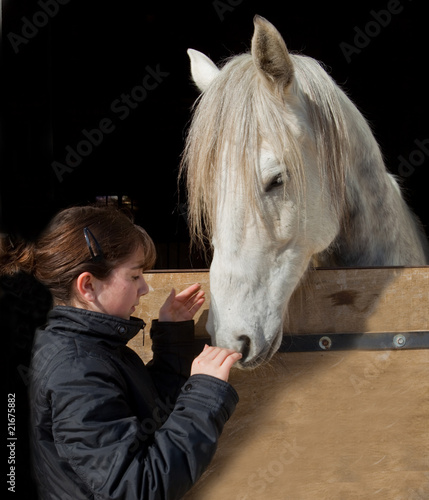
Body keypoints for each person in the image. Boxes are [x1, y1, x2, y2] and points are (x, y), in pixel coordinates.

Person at [1, 205, 241, 499]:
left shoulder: (88, 347)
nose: (145, 288)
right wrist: (204, 396)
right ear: (87, 285)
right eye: (134, 276)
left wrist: (173, 338)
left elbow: (148, 416)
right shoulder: (76, 371)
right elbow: (138, 487)